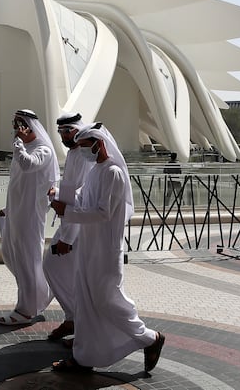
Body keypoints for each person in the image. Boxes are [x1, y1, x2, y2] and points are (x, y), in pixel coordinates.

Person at [50, 123, 164, 373]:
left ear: (98, 144)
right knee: (86, 301)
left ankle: (150, 338)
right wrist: (59, 194)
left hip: (105, 250)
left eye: (83, 146)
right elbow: (82, 197)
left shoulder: (113, 172)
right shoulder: (95, 170)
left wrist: (67, 212)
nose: (80, 151)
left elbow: (103, 213)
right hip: (88, 247)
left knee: (107, 300)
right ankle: (84, 357)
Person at [0, 109, 60, 326]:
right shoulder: (23, 148)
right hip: (17, 211)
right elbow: (17, 183)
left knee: (26, 259)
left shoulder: (43, 150)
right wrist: (9, 208)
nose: (16, 129)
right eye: (14, 124)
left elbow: (28, 164)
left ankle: (26, 309)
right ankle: (40, 292)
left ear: (30, 126)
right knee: (10, 254)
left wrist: (18, 144)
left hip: (30, 214)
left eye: (20, 124)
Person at [42, 112, 96, 342]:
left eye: (68, 131)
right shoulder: (75, 154)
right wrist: (58, 193)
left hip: (80, 226)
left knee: (60, 267)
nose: (64, 136)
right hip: (70, 220)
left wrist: (67, 238)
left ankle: (82, 324)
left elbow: (83, 195)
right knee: (55, 267)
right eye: (61, 132)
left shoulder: (84, 156)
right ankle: (74, 318)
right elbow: (73, 188)